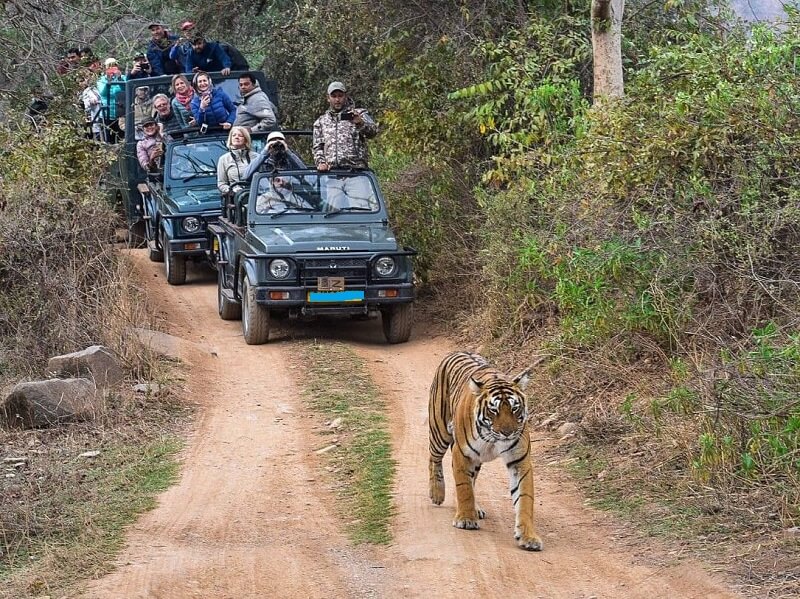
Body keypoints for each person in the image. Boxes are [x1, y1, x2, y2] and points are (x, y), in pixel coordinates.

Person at [312, 81, 378, 207]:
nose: (337, 99)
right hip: (333, 177)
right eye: (334, 96)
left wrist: (360, 123)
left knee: (361, 212)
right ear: (328, 98)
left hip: (356, 174)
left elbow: (373, 133)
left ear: (345, 96)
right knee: (333, 216)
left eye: (340, 96)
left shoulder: (360, 114)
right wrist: (320, 162)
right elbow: (317, 146)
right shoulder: (321, 121)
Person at [217, 126, 257, 197]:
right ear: (230, 139)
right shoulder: (224, 159)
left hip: (256, 195)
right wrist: (232, 191)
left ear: (246, 139)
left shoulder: (256, 157)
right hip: (237, 199)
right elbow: (221, 184)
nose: (236, 137)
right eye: (234, 135)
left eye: (240, 135)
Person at [96, 58, 126, 143]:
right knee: (109, 141)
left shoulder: (123, 78)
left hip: (121, 115)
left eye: (114, 65)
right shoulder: (101, 80)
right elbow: (103, 93)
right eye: (109, 66)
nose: (112, 68)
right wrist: (108, 82)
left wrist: (119, 78)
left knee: (122, 140)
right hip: (107, 115)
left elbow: (126, 90)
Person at [78, 71, 103, 140]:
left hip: (94, 117)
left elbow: (91, 101)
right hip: (88, 119)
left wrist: (91, 101)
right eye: (80, 81)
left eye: (83, 80)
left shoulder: (90, 90)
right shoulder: (81, 92)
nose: (81, 83)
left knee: (96, 136)